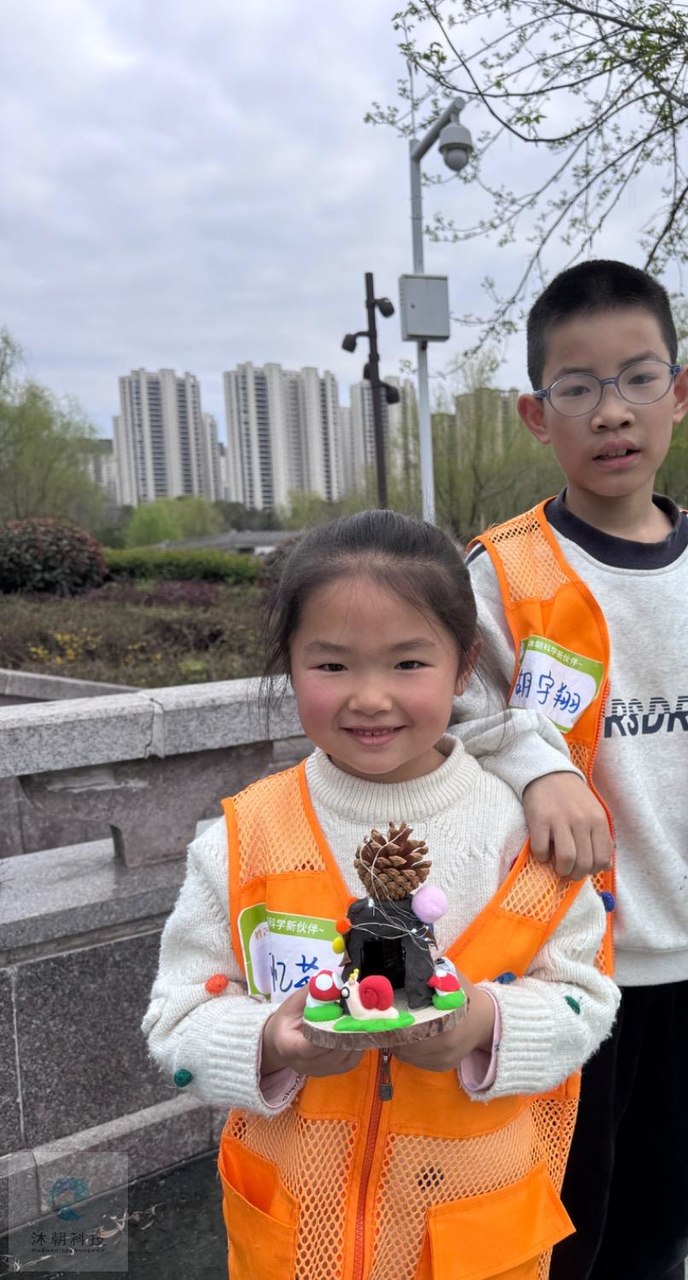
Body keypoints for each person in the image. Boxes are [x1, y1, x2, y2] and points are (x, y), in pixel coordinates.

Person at [450, 260, 688, 1280]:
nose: (611, 411)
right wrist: (539, 767)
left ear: (681, 391)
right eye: (577, 387)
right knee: (561, 1225)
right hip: (566, 965)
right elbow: (459, 710)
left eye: (637, 378)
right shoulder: (504, 568)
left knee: (667, 1217)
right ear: (537, 414)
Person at [142, 509, 619, 1280]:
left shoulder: (519, 831)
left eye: (408, 664)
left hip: (471, 1236)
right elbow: (177, 1017)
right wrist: (270, 1042)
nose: (369, 697)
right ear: (290, 664)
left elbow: (586, 999)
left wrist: (483, 1024)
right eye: (332, 665)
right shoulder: (244, 837)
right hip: (297, 1240)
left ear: (463, 667)